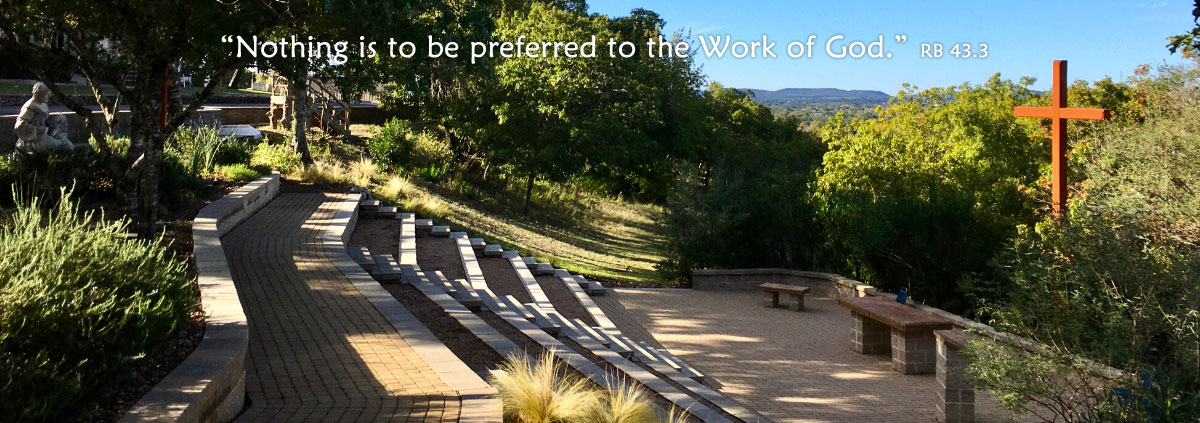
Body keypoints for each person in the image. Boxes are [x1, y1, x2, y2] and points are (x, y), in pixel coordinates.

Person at [13, 82, 74, 155]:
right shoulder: (30, 107)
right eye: (46, 93)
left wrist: (54, 121)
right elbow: (19, 125)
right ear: (37, 93)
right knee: (63, 145)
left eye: (49, 93)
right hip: (37, 139)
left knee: (68, 145)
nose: (48, 95)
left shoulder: (43, 104)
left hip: (48, 133)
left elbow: (45, 120)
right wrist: (36, 129)